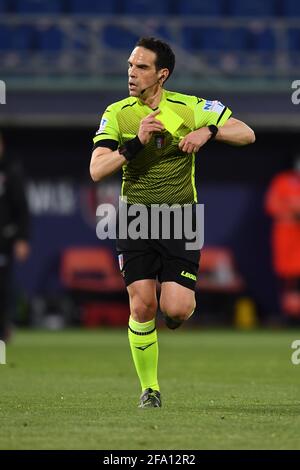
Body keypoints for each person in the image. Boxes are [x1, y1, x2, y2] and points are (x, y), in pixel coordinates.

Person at [90, 37, 255, 408]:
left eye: (141, 67)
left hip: (181, 218)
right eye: (130, 65)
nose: (132, 73)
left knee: (176, 309)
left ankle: (176, 313)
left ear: (161, 74)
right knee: (141, 306)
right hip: (136, 217)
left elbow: (247, 133)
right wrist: (135, 142)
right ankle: (150, 389)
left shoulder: (190, 107)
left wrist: (208, 131)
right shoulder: (119, 113)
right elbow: (97, 169)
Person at [0, 132, 30, 340]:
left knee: (3, 285)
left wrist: (22, 238)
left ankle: (3, 328)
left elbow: (22, 209)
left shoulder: (11, 171)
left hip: (3, 239)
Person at [265, 154, 300, 318]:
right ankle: (289, 315)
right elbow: (272, 206)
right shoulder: (283, 181)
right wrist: (291, 210)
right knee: (288, 279)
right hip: (287, 237)